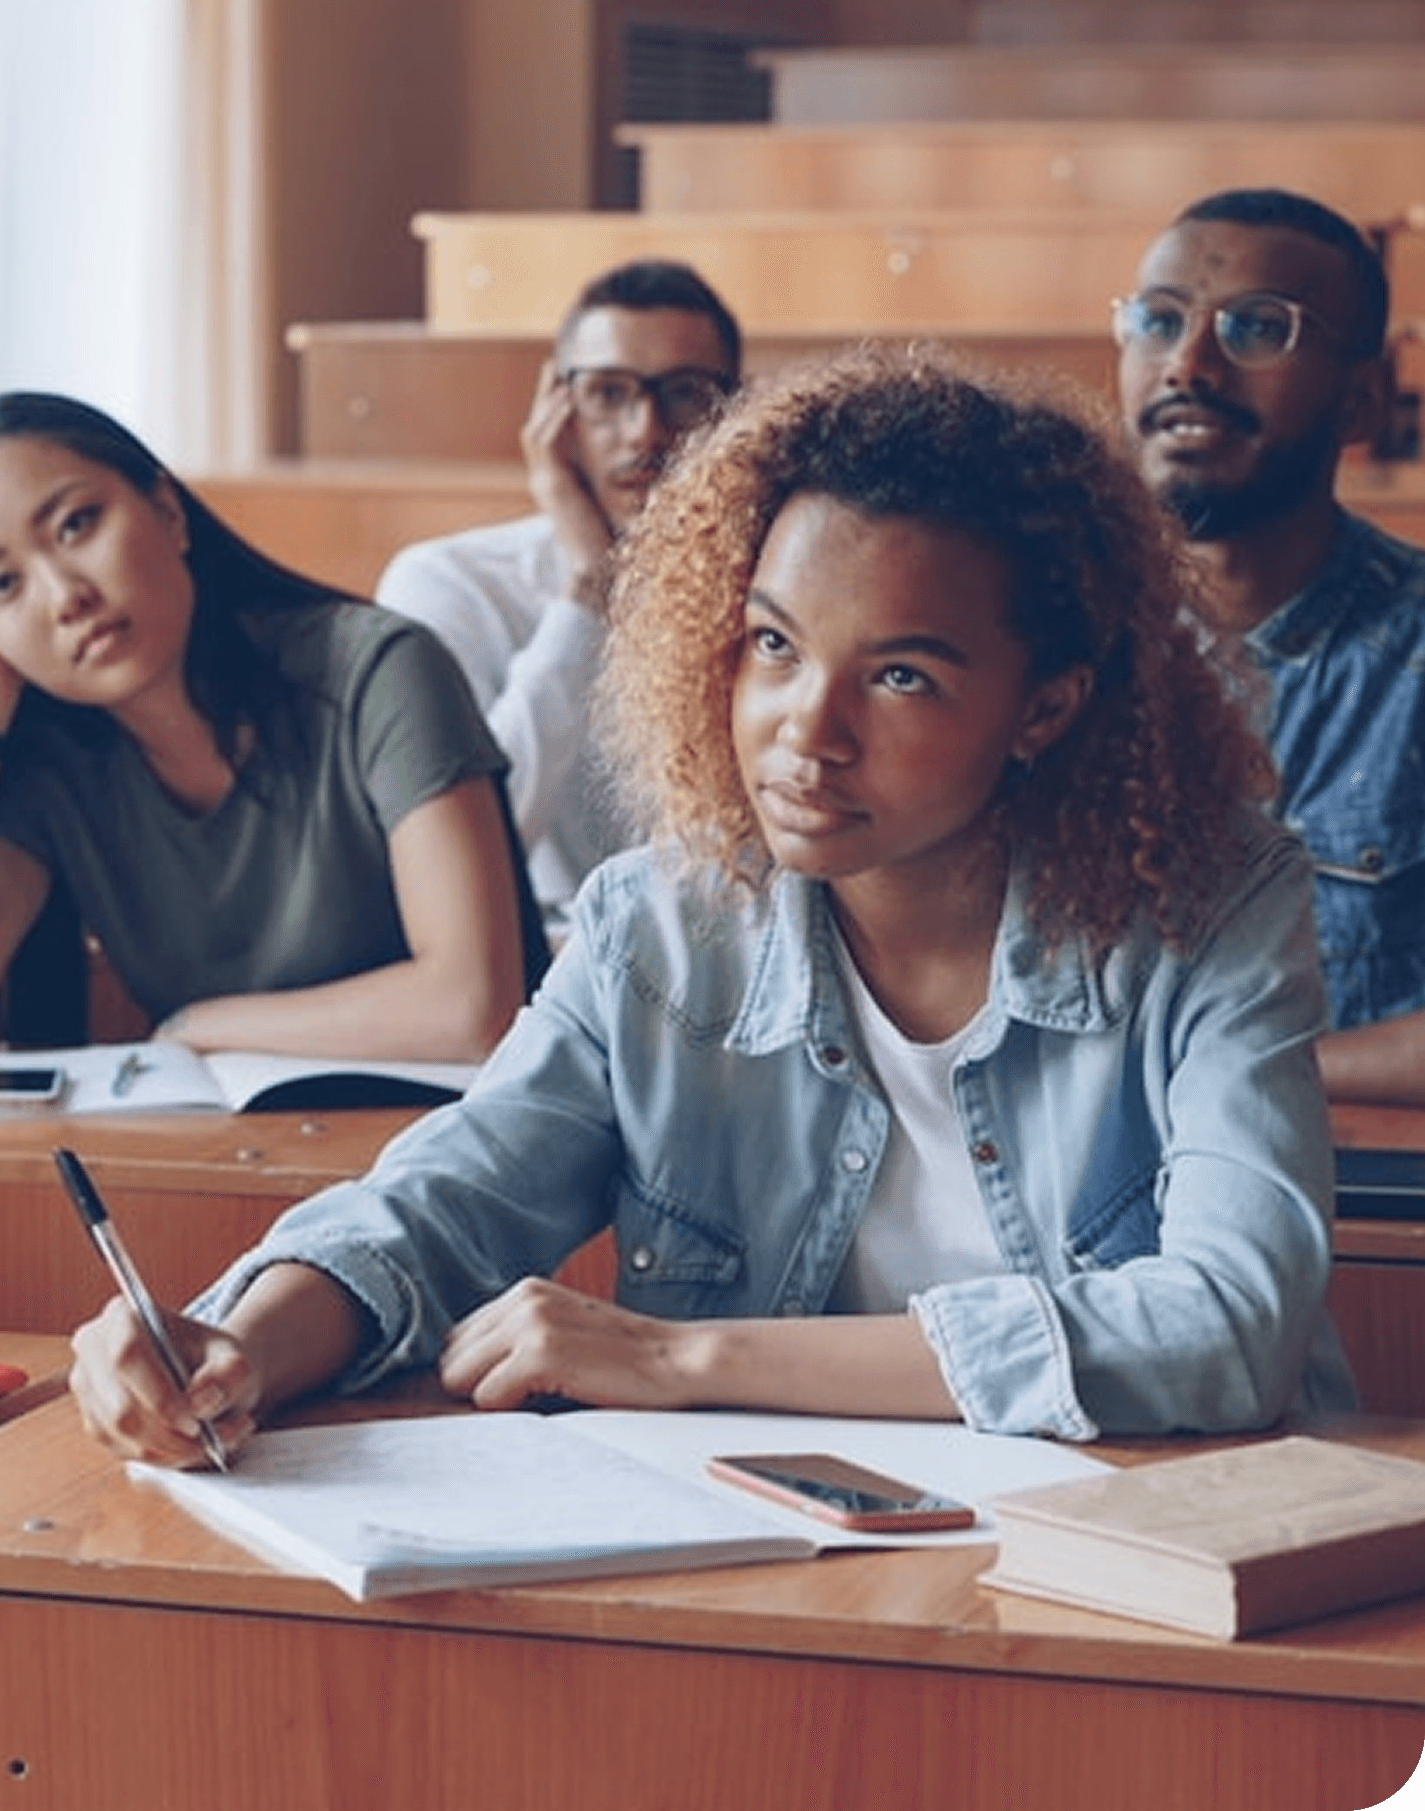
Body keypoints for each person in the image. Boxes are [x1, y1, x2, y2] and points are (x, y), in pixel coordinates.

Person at [70, 348, 1353, 1463]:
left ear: (1047, 706)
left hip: (1147, 1564)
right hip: (778, 1544)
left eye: (900, 675)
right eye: (774, 647)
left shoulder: (1211, 909)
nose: (808, 733)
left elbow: (1228, 1328)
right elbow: (441, 1204)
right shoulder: (659, 928)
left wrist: (684, 1361)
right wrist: (232, 1346)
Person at [0, 391, 549, 1059]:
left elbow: (471, 1007)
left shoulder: (377, 671)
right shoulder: (55, 762)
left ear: (168, 511)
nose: (66, 597)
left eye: (76, 525)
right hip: (247, 1160)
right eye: (0, 588)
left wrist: (202, 1026)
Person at [1116, 188, 1425, 1106]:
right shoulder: (1038, 633)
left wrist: (1232, 1080)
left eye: (1258, 328)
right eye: (1158, 320)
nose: (1188, 363)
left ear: (1362, 398)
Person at [375, 260, 740, 932]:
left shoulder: (776, 590)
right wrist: (586, 595)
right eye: (608, 393)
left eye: (686, 394)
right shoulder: (449, 583)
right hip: (540, 960)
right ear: (555, 411)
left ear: (733, 413)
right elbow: (461, 858)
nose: (644, 431)